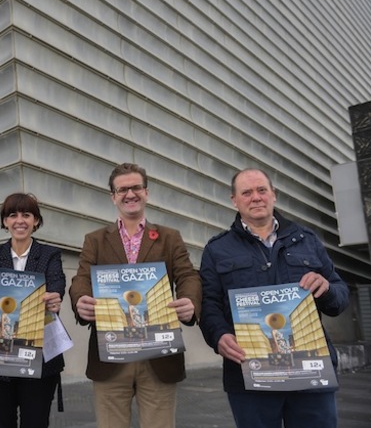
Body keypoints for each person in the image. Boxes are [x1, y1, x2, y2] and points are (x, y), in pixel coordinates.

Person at [199, 168, 349, 428]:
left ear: (274, 195)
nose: (255, 197)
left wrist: (326, 289)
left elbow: (340, 297)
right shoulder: (217, 249)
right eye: (246, 192)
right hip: (250, 374)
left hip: (310, 372)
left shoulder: (307, 240)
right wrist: (218, 335)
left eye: (261, 190)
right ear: (234, 199)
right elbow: (209, 303)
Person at [68, 163, 202, 428]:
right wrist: (80, 299)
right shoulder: (95, 239)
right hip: (110, 354)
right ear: (113, 196)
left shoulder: (169, 237)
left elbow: (188, 276)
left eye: (136, 187)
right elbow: (81, 278)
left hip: (159, 356)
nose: (130, 194)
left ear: (146, 192)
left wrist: (190, 301)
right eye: (122, 189)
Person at [0, 193, 66, 428]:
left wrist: (54, 297)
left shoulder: (49, 254)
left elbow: (57, 284)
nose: (20, 220)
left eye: (26, 214)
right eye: (13, 215)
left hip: (40, 358)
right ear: (5, 221)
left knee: (36, 422)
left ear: (36, 220)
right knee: (0, 423)